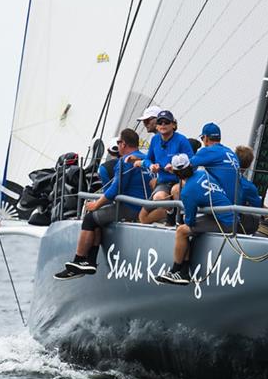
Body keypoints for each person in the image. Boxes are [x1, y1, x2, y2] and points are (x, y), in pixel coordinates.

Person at [54, 129, 151, 280]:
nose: (118, 145)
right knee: (98, 221)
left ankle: (79, 260)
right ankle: (90, 261)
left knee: (90, 219)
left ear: (123, 144)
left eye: (119, 142)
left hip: (130, 208)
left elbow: (115, 189)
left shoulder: (125, 161)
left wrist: (96, 204)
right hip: (144, 207)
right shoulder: (144, 159)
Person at [155, 154, 234, 285]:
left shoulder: (187, 192)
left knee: (181, 231)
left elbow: (190, 222)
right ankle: (184, 272)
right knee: (186, 230)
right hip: (228, 216)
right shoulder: (203, 173)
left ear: (176, 173)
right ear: (190, 166)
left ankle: (175, 270)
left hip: (224, 222)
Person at [132, 110, 193, 224]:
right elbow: (149, 159)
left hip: (179, 180)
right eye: (160, 122)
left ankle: (180, 220)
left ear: (173, 124)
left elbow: (192, 162)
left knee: (176, 190)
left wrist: (175, 168)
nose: (163, 125)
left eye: (166, 122)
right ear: (157, 125)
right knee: (157, 199)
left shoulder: (181, 140)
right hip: (163, 182)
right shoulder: (155, 140)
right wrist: (151, 166)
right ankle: (170, 213)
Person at [190, 123, 240, 202]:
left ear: (205, 138)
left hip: (221, 201)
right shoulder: (231, 152)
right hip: (236, 202)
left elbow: (184, 166)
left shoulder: (208, 150)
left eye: (202, 138)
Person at [234, 145, 263, 234]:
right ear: (249, 164)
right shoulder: (248, 187)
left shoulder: (220, 176)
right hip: (233, 221)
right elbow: (261, 209)